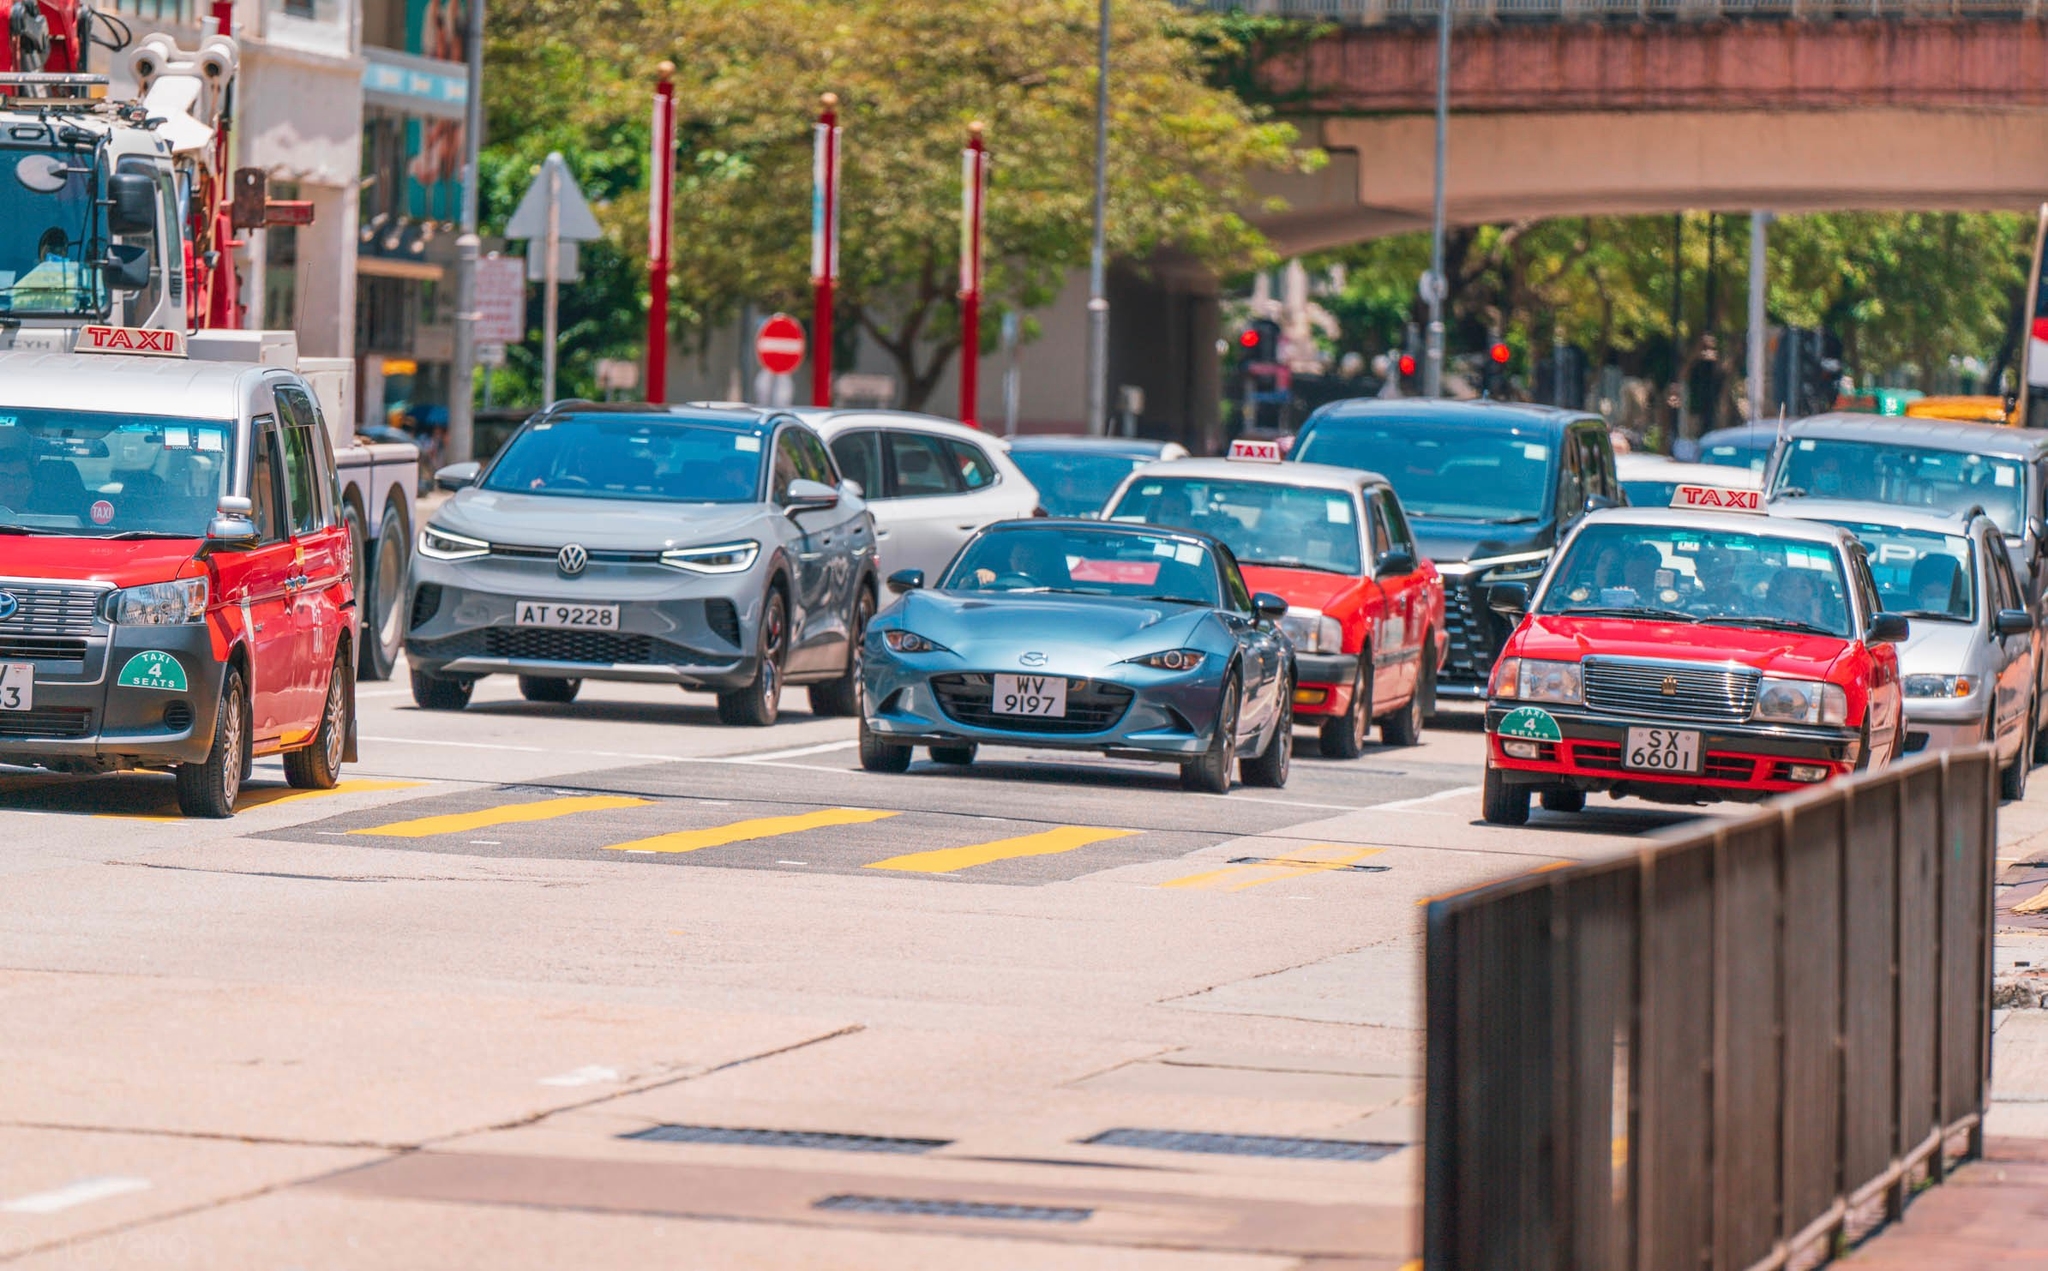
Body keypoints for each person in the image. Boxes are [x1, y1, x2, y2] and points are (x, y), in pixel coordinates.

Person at [0, 426, 30, 514]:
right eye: (3, 477)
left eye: (20, 478)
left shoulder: (50, 524)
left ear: (32, 484)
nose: (12, 487)